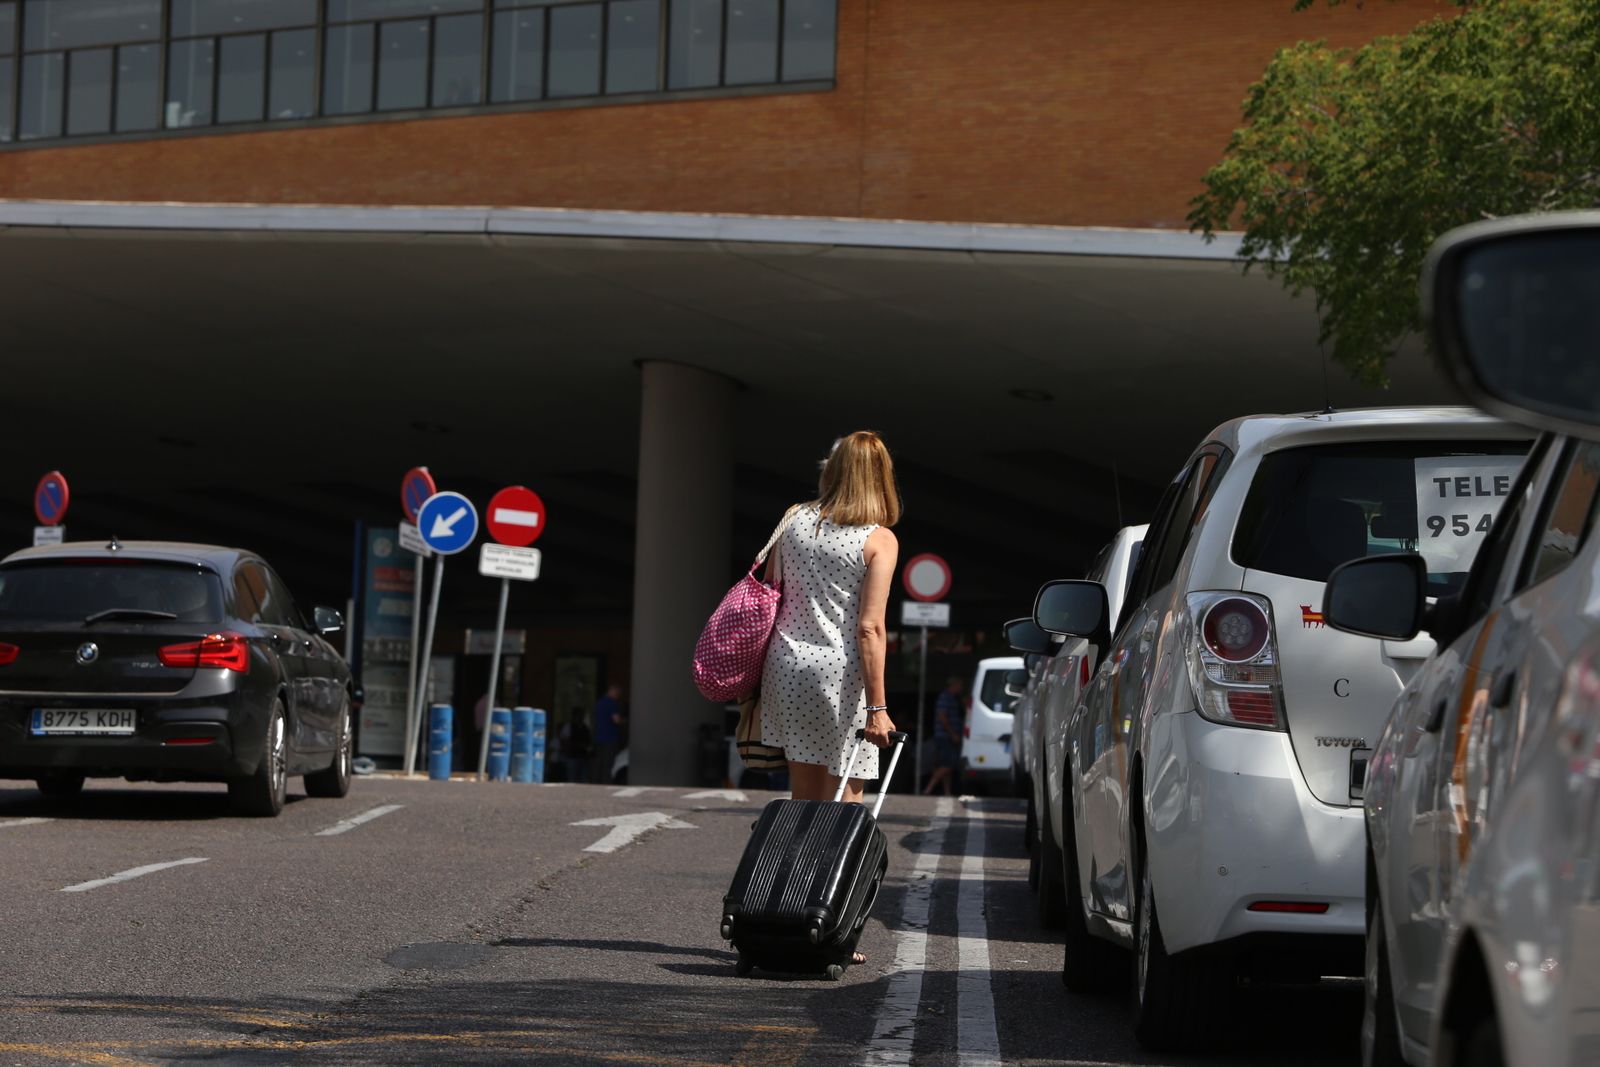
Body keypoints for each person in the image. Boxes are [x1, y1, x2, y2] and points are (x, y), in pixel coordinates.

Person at [759, 430, 901, 826]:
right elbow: (870, 628)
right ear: (881, 477)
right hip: (840, 677)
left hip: (786, 666)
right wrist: (878, 709)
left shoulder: (793, 520)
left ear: (833, 470)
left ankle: (791, 879)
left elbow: (772, 591)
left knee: (802, 795)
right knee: (845, 802)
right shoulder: (878, 539)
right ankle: (830, 886)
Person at [923, 676, 965, 796]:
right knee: (950, 764)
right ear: (954, 684)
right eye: (960, 685)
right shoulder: (945, 698)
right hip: (945, 736)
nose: (961, 688)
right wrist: (953, 734)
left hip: (948, 735)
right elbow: (942, 717)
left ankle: (947, 791)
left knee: (946, 764)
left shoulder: (953, 698)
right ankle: (928, 788)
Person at [592, 684, 626, 783]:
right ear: (612, 691)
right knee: (608, 763)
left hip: (599, 737)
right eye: (618, 693)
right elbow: (616, 720)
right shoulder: (612, 704)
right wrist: (624, 721)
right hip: (610, 738)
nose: (618, 695)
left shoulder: (599, 703)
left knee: (599, 762)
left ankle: (596, 781)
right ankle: (606, 782)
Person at [560, 709, 593, 783]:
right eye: (578, 715)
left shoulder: (585, 728)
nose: (580, 717)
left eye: (582, 715)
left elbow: (589, 740)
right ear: (574, 716)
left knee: (583, 779)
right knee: (572, 778)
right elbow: (563, 740)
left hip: (583, 756)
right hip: (572, 756)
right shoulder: (569, 726)